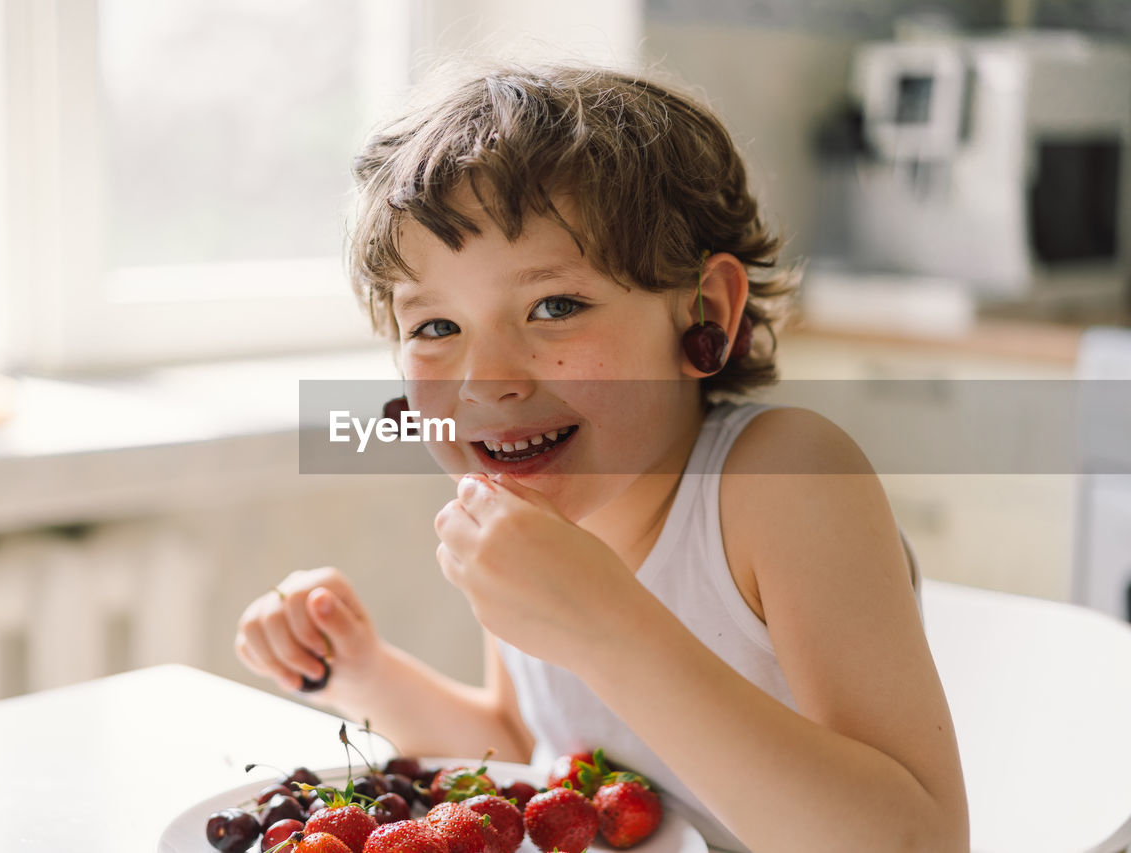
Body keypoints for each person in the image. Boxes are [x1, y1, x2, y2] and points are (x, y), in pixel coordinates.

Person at [236, 63, 969, 853]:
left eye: (555, 306)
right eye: (436, 328)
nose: (488, 383)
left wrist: (604, 625)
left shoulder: (780, 481)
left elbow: (917, 841)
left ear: (706, 313)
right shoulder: (524, 516)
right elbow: (527, 752)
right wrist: (359, 671)